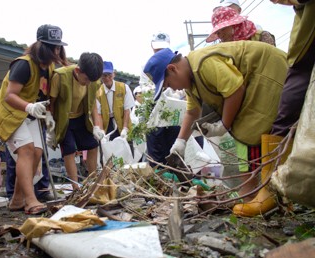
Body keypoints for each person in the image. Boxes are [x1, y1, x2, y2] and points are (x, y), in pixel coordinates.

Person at [143, 41, 288, 214]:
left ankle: (267, 195)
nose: (172, 88)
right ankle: (256, 196)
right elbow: (192, 111)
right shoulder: (191, 80)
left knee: (251, 129)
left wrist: (223, 126)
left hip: (269, 72)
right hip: (255, 81)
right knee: (249, 133)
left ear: (173, 69)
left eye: (168, 84)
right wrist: (180, 142)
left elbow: (235, 89)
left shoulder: (203, 64)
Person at [233, 0, 315, 217]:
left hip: (273, 89)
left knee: (285, 115)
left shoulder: (260, 40)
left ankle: (273, 191)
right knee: (285, 117)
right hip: (303, 49)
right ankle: (273, 191)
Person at [0, 24, 68, 215]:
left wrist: (48, 115)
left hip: (29, 115)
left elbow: (42, 94)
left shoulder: (48, 68)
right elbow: (10, 95)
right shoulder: (23, 64)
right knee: (26, 151)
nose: (56, 51)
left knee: (37, 152)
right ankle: (30, 200)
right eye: (52, 47)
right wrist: (29, 106)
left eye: (58, 47)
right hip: (10, 114)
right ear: (41, 46)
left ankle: (16, 200)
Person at [48, 52, 103, 191]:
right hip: (63, 119)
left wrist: (97, 126)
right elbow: (51, 103)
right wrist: (50, 125)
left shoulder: (93, 81)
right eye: (86, 79)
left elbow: (93, 105)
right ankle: (75, 186)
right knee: (70, 149)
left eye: (91, 80)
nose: (88, 83)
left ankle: (93, 182)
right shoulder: (60, 76)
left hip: (80, 117)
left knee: (92, 145)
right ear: (78, 71)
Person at [142, 31, 181, 167]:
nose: (159, 51)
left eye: (163, 49)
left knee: (173, 153)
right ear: (152, 47)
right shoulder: (149, 68)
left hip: (174, 115)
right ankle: (159, 181)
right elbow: (143, 95)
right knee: (156, 156)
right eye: (157, 49)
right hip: (155, 116)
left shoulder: (179, 66)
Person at [95, 61, 134, 141]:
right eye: (104, 75)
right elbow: (98, 114)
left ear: (114, 74)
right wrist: (101, 130)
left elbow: (127, 110)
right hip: (107, 124)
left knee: (126, 146)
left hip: (123, 121)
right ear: (100, 76)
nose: (107, 78)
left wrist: (125, 128)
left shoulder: (124, 87)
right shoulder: (98, 92)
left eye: (109, 75)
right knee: (109, 149)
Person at [206, 6, 275, 46]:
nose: (221, 35)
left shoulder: (262, 37)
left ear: (235, 25)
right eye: (218, 33)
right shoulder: (223, 48)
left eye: (223, 29)